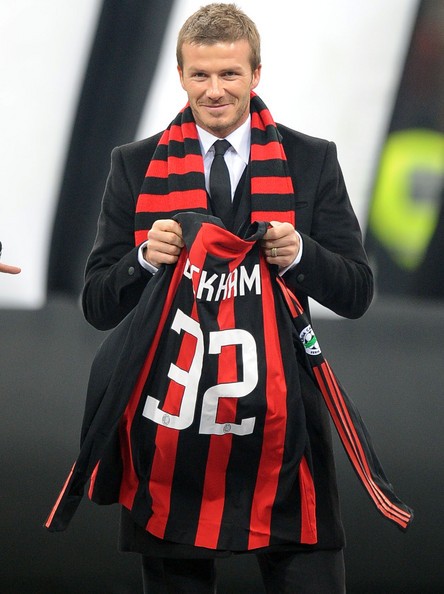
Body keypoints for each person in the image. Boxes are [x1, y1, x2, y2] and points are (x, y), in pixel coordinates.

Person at [81, 4, 375, 593]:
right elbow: (98, 304)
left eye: (229, 74)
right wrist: (143, 258)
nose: (214, 90)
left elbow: (356, 292)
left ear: (256, 74)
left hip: (285, 431)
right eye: (200, 75)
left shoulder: (311, 159)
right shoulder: (133, 165)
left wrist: (302, 254)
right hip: (172, 431)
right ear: (181, 75)